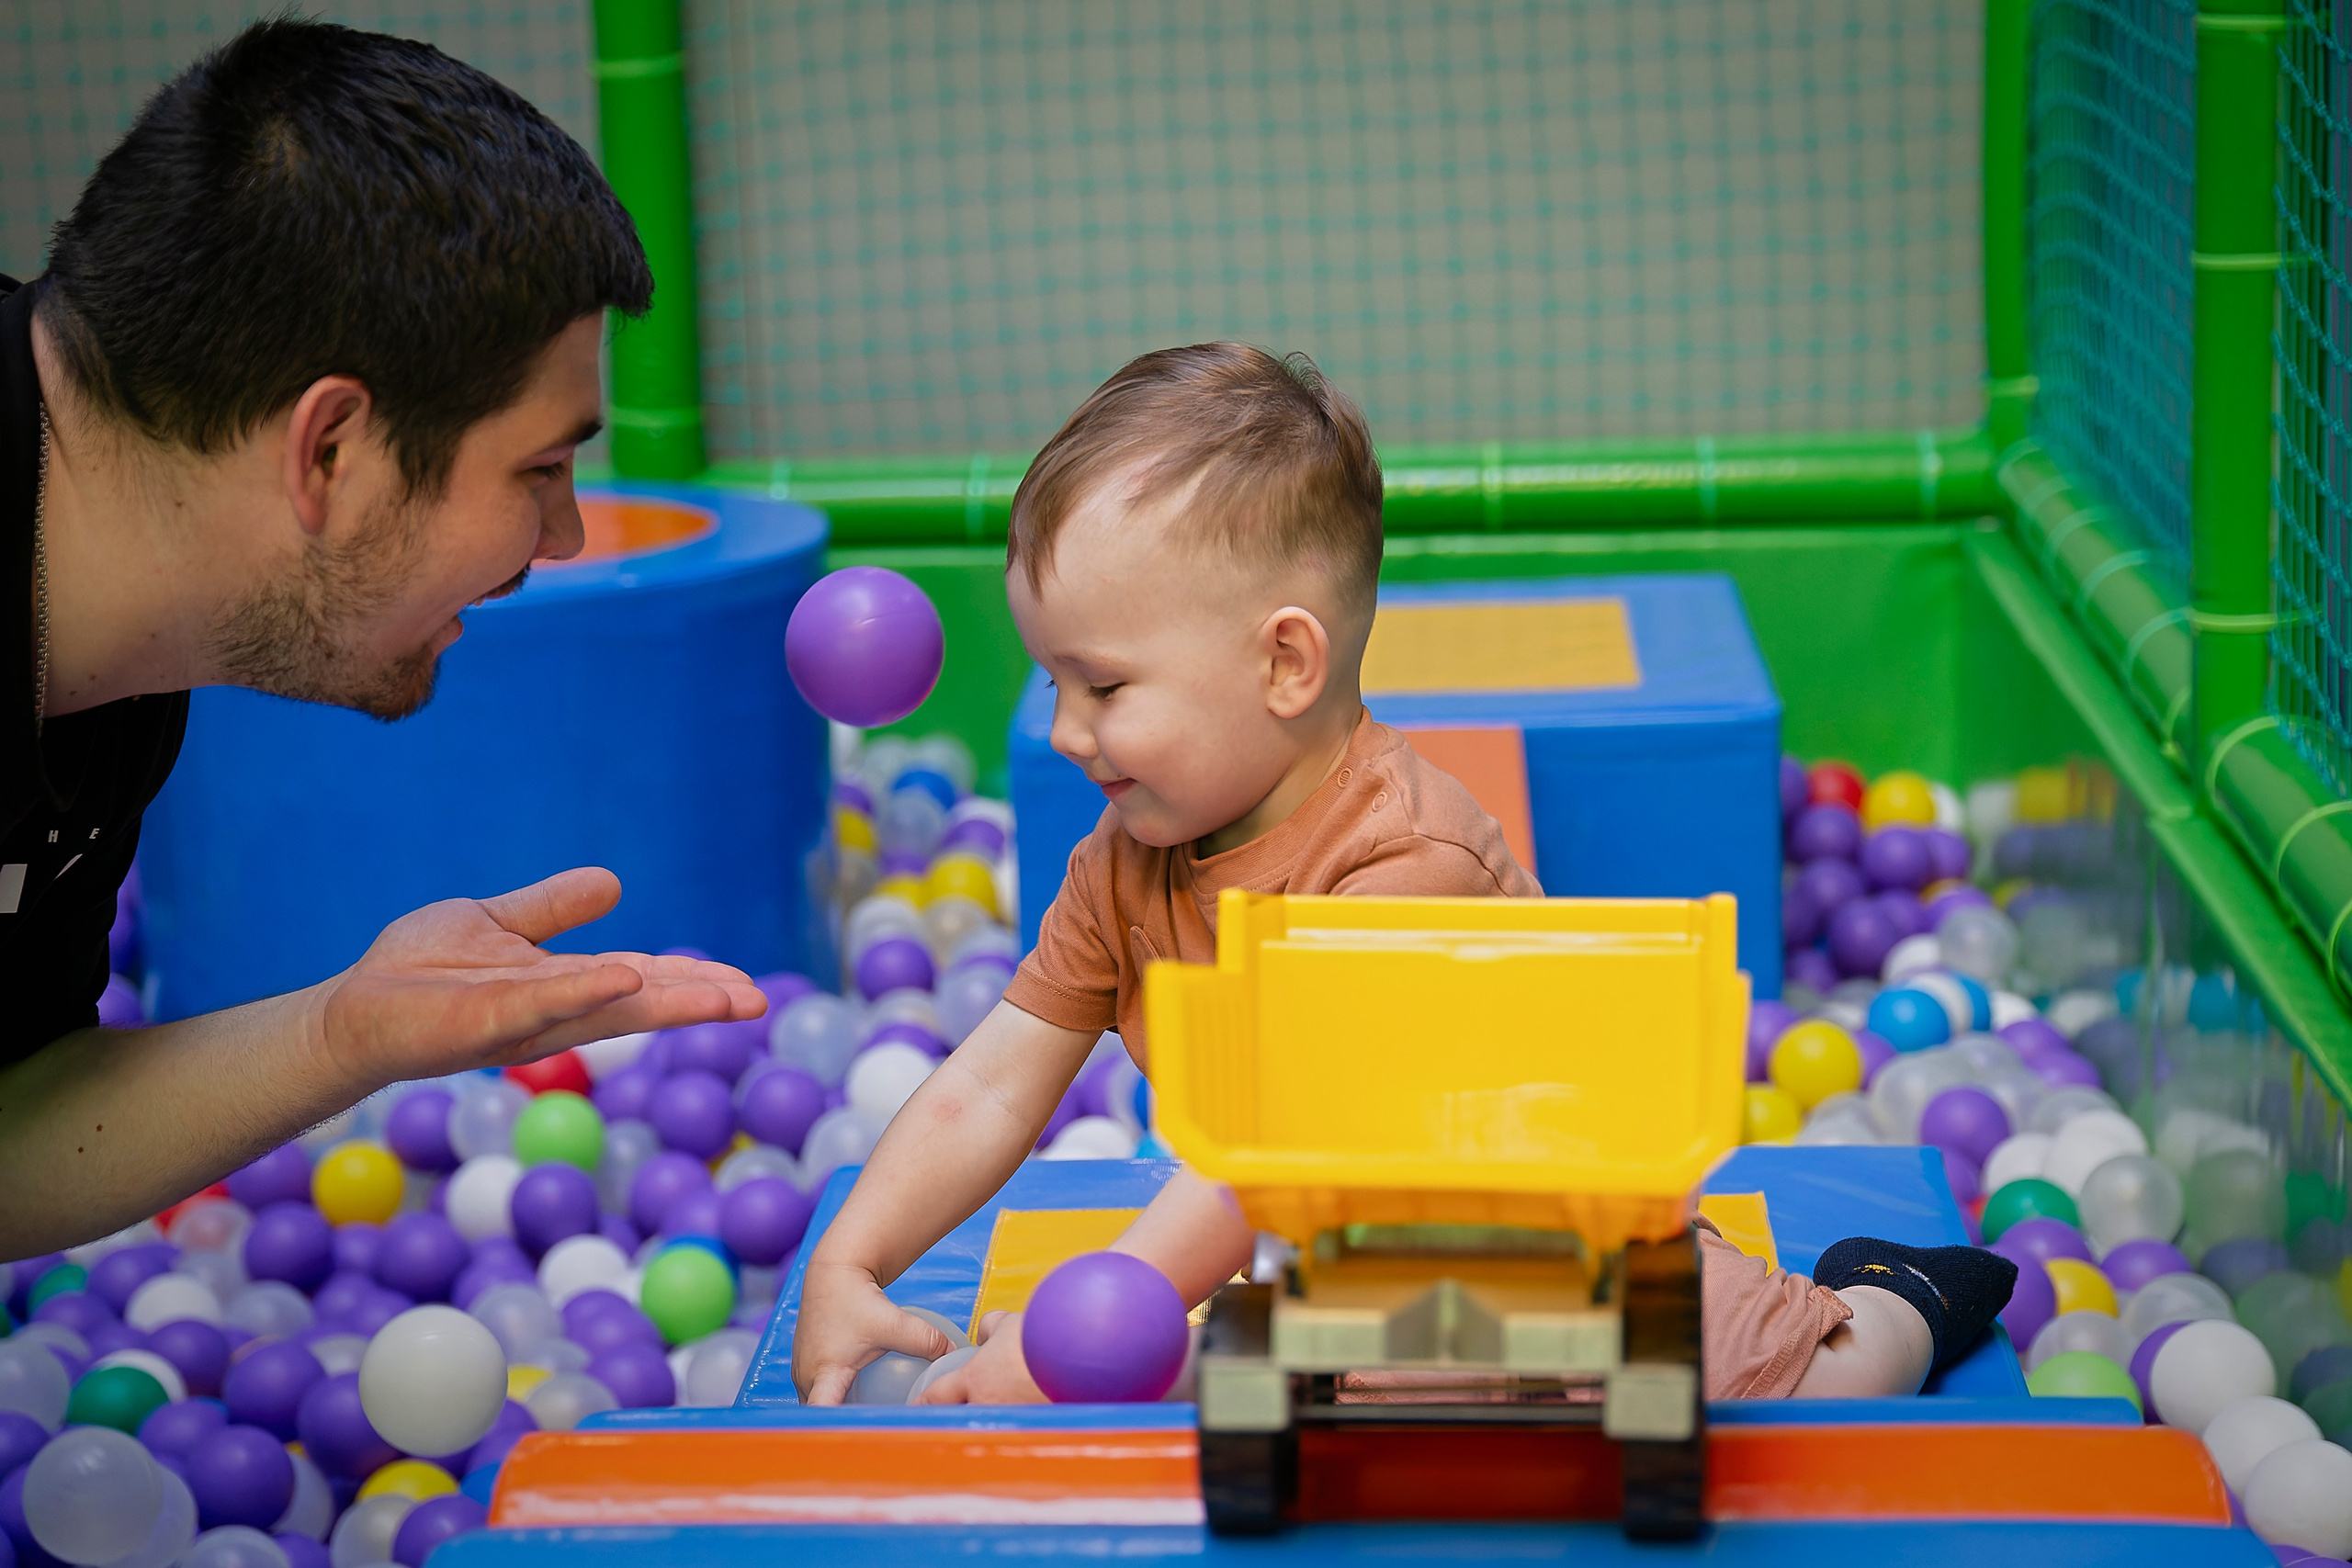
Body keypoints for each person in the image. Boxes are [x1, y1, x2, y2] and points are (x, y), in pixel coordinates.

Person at [791, 343, 2014, 1405]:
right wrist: (851, 1264)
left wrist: (1088, 1330)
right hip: (1348, 1270)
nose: (1065, 730)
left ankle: (1891, 1295)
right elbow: (989, 1088)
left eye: (1103, 685)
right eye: (1053, 683)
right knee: (1246, 1390)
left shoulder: (1405, 866)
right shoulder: (1126, 863)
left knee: (1796, 1404)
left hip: (1560, 1266)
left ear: (1285, 663)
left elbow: (1274, 1158)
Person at [0, 20, 763, 1258]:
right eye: (542, 468)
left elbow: (12, 1124)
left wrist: (341, 1036)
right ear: (332, 452)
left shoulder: (120, 664)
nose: (565, 535)